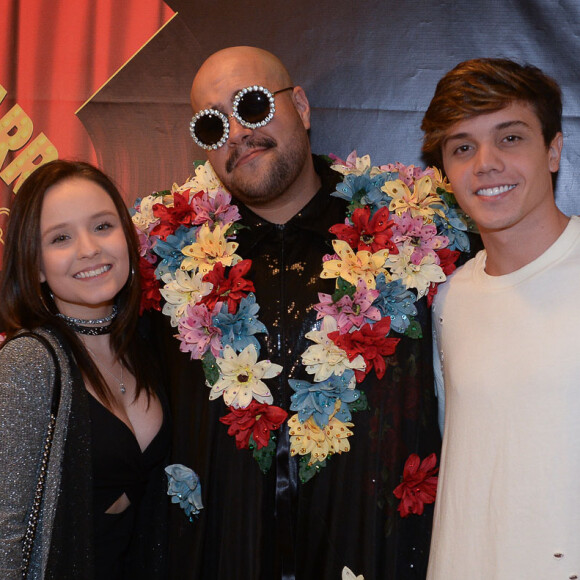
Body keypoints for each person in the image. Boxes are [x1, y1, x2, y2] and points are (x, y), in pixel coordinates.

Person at [144, 46, 469, 580]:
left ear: (301, 105)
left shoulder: (416, 237)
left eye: (251, 106)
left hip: (379, 555)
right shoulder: (166, 260)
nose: (236, 134)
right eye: (211, 125)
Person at [421, 58, 580, 578]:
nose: (485, 163)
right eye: (462, 147)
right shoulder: (447, 300)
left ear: (553, 150)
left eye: (510, 138)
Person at [0, 160, 169, 579]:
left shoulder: (151, 343)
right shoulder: (29, 362)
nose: (89, 249)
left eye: (102, 226)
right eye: (60, 237)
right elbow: (6, 532)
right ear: (35, 265)